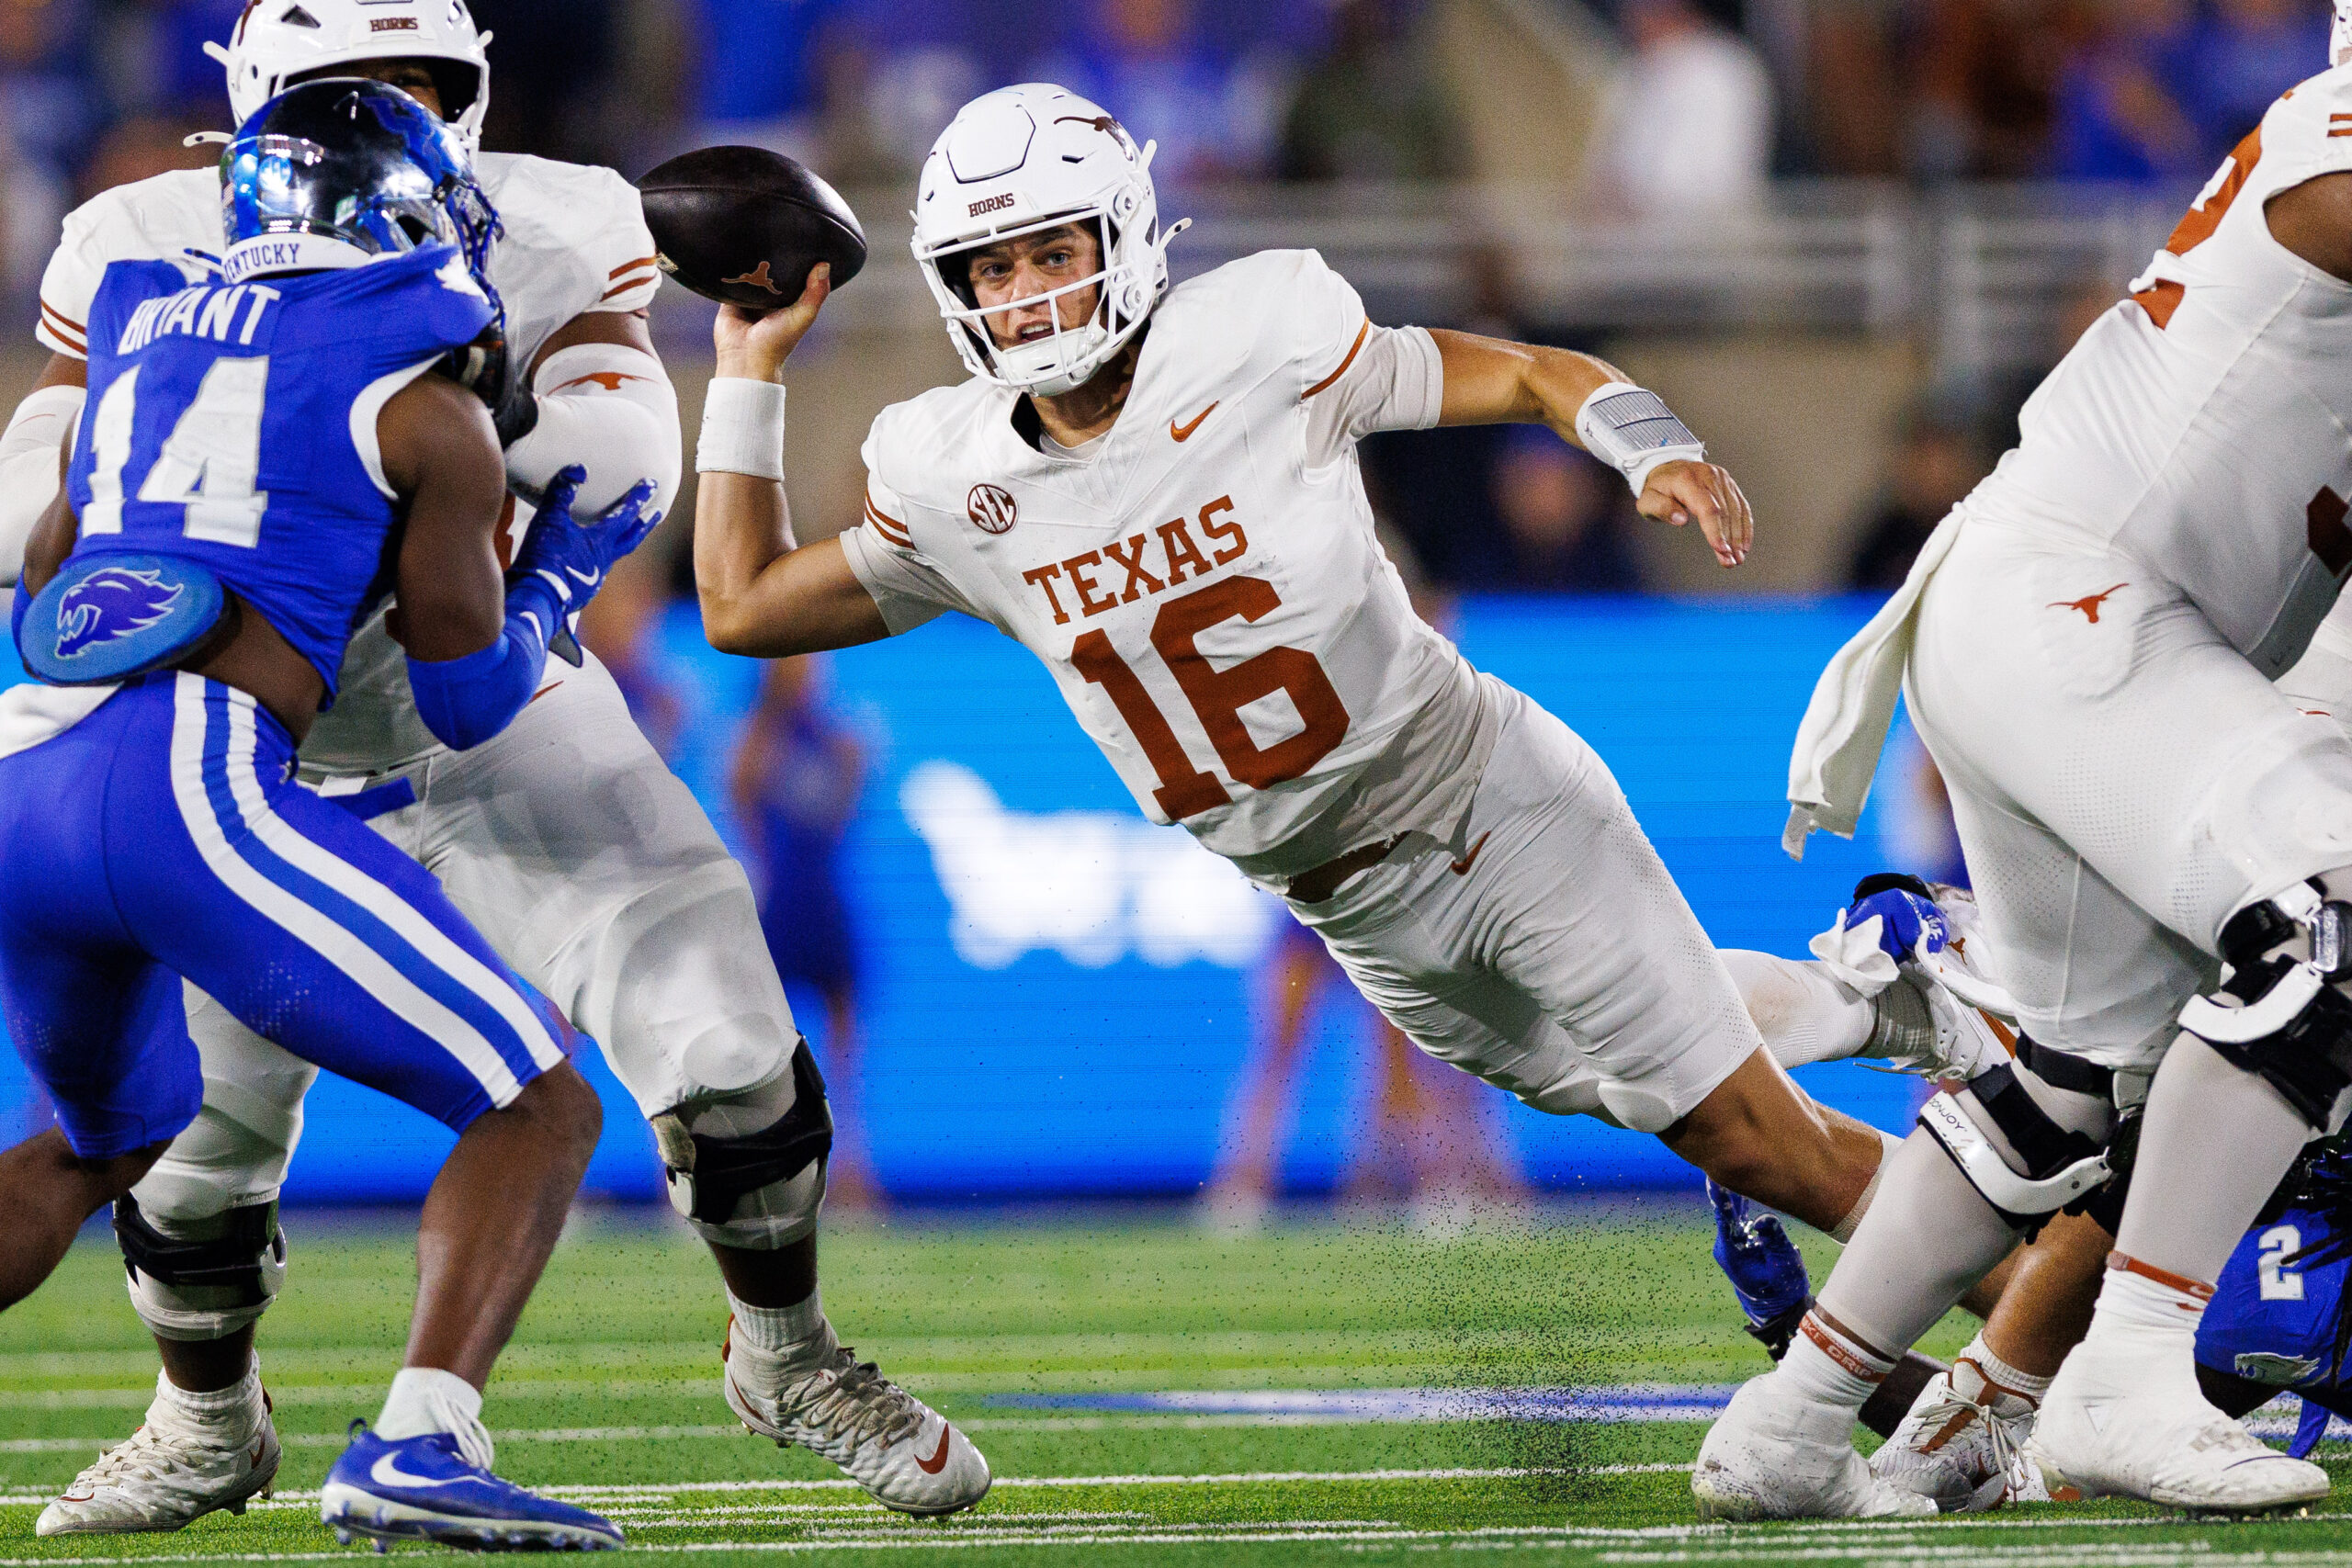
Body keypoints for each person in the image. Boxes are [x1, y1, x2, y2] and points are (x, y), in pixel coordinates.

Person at [690, 82, 1933, 1308]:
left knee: (1741, 1130)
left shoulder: (1259, 337)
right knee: (1642, 1089)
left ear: (1123, 234)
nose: (1026, 295)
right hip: (1351, 910)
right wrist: (747, 371)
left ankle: (2055, 1336)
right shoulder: (954, 475)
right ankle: (1894, 984)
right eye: (993, 268)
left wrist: (1647, 438)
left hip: (1482, 799)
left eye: (1051, 251)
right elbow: (743, 606)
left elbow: (1525, 374)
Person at [0, 0, 988, 1534]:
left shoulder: (555, 215)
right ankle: (204, 1422)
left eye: (422, 82)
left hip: (463, 720)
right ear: (260, 100)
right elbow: (33, 501)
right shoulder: (135, 236)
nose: (388, 111)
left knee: (728, 1044)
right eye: (351, 88)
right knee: (193, 1164)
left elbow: (613, 445)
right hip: (262, 739)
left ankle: (786, 1356)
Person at [1696, 32, 2352, 1517]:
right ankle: (2131, 1364)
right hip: (2084, 613)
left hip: (2056, 622)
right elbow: (2323, 198)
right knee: (2331, 916)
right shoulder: (2329, 123)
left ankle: (1790, 1421)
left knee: (2068, 1090)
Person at [0, 80, 647, 1549]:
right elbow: (470, 697)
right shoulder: (425, 403)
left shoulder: (137, 342)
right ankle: (423, 1437)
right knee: (538, 1099)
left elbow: (43, 587)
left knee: (92, 1147)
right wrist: (555, 573)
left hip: (29, 784)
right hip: (189, 785)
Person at [729, 655, 879, 1210]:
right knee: (764, 1040)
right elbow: (740, 797)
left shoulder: (831, 734)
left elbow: (840, 815)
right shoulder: (758, 732)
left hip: (823, 895)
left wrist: (853, 767)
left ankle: (850, 1172)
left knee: (842, 1042)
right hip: (779, 900)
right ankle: (765, 1167)